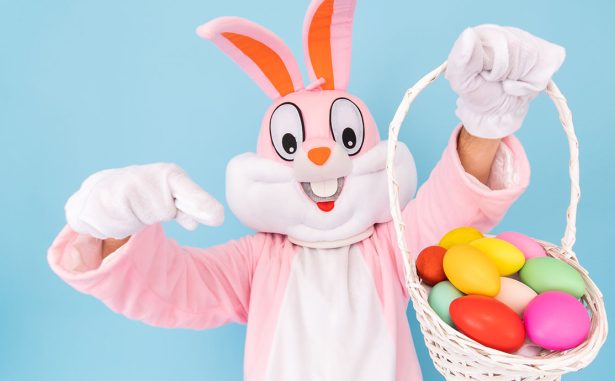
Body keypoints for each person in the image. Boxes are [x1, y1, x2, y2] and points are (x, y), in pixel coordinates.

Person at [47, 1, 564, 379]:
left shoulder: (390, 246)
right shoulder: (255, 262)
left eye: (343, 139)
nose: (320, 156)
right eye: (293, 143)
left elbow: (455, 214)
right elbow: (173, 286)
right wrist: (118, 222)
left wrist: (486, 122)